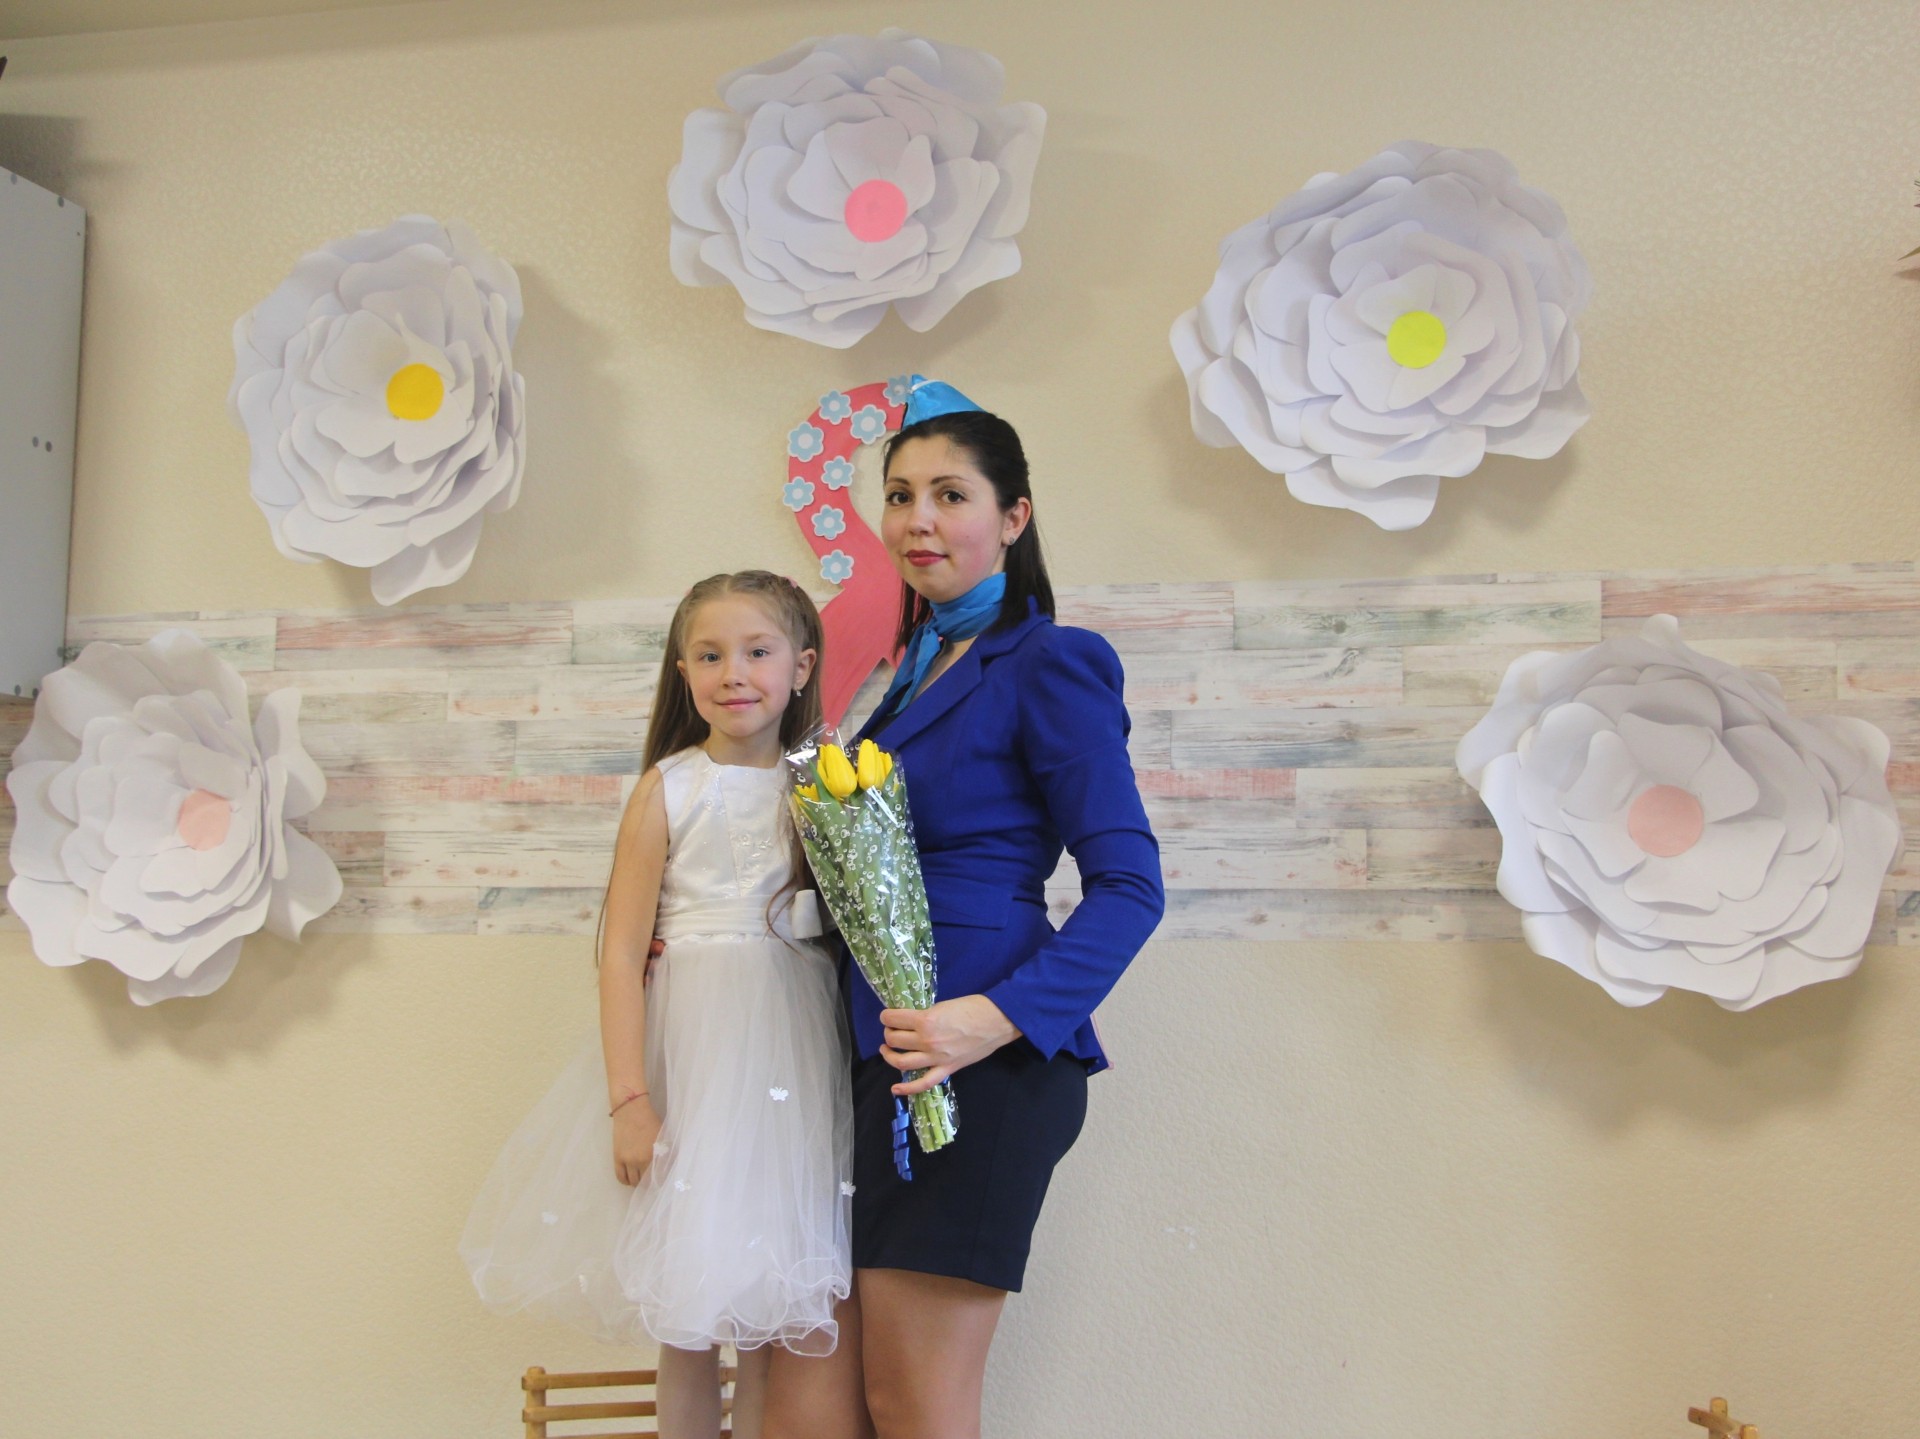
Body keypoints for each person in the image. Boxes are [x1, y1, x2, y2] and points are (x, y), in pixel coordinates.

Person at [765, 381, 1165, 1439]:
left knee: (915, 1405)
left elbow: (1132, 886)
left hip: (980, 1068)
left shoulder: (1049, 660)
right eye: (899, 495)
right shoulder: (910, 672)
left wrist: (990, 1018)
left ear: (1013, 516)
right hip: (879, 1057)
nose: (918, 518)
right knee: (842, 1405)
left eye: (950, 494)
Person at [461, 571, 853, 1439]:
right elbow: (620, 952)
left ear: (801, 666)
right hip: (694, 1061)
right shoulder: (668, 788)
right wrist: (630, 1099)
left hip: (789, 1064)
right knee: (691, 1308)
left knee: (767, 1309)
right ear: (682, 672)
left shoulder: (824, 789)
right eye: (709, 656)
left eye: (757, 651)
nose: (733, 672)